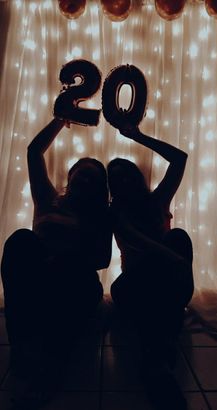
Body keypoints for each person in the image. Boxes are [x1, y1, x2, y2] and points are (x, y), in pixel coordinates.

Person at [1, 118, 112, 402]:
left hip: (77, 284)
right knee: (20, 240)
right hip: (40, 278)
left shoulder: (100, 217)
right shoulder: (48, 200)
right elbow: (33, 152)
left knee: (68, 269)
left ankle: (52, 363)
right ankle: (22, 347)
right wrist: (61, 118)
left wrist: (66, 254)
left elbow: (101, 260)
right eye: (82, 173)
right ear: (70, 175)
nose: (85, 180)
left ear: (99, 190)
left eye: (93, 179)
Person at [107, 123, 194, 409]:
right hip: (133, 287)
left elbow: (179, 159)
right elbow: (140, 243)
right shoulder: (115, 213)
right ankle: (159, 358)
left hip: (165, 284)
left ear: (137, 177)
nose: (124, 183)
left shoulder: (158, 201)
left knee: (179, 237)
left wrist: (138, 136)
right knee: (161, 256)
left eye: (128, 176)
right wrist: (169, 258)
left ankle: (155, 359)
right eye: (116, 180)